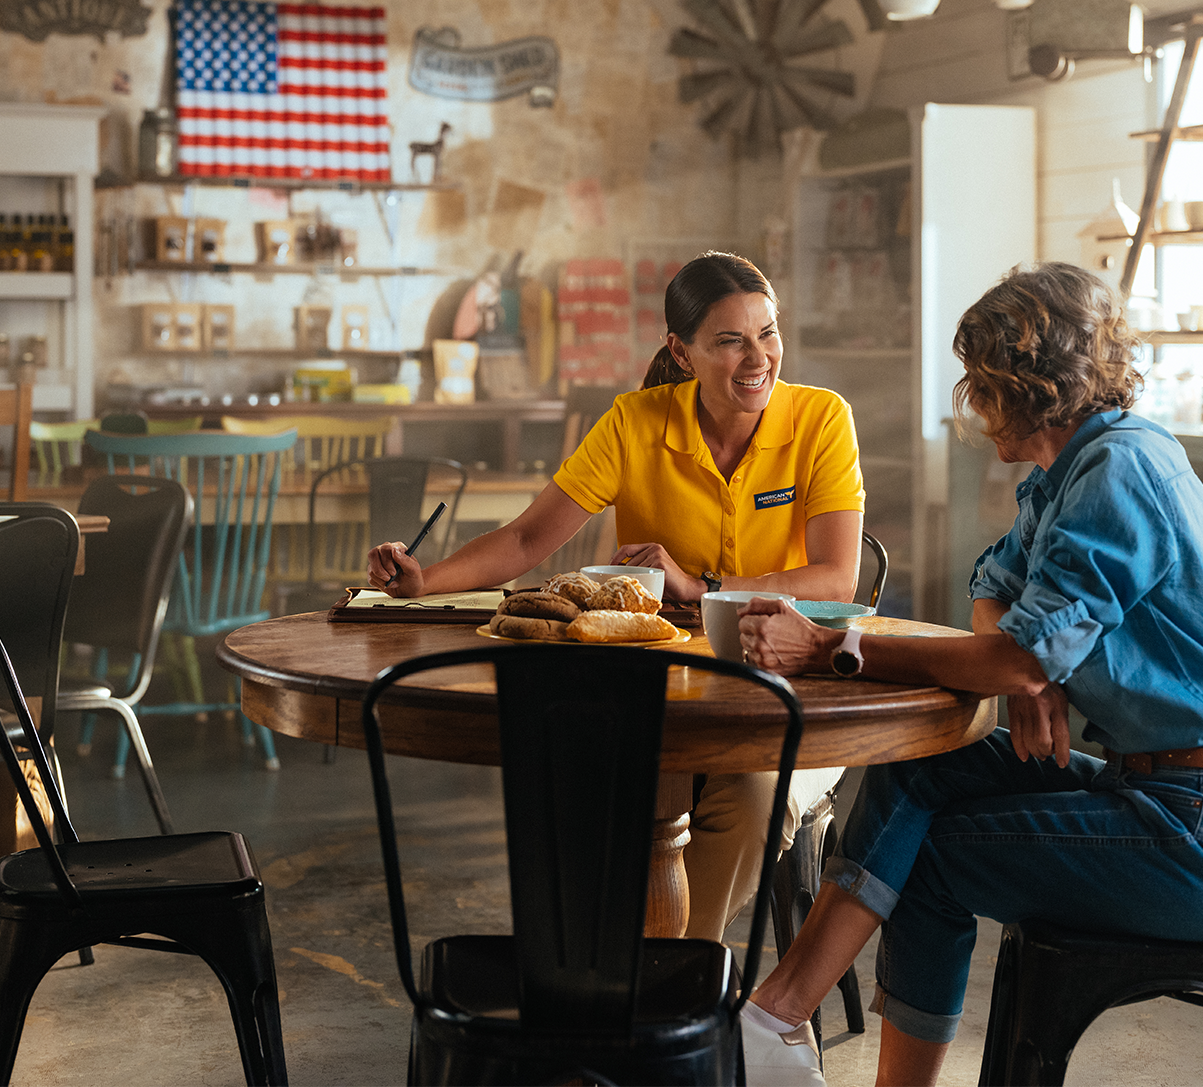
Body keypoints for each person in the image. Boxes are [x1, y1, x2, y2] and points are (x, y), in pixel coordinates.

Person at [730, 262, 1203, 1086]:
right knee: (921, 767)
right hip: (1168, 798)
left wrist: (837, 648)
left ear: (1025, 385)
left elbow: (1012, 648)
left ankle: (777, 1022)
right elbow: (992, 591)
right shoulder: (1067, 473)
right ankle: (774, 1021)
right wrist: (1035, 678)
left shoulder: (1121, 472)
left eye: (979, 379)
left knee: (924, 861)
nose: (971, 399)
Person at [367, 251, 865, 941]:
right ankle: (629, 979)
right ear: (681, 352)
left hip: (790, 678)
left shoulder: (820, 419)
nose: (759, 358)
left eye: (768, 333)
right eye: (729, 340)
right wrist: (427, 578)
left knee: (752, 796)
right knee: (579, 771)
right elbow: (522, 542)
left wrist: (702, 587)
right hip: (669, 686)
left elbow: (836, 578)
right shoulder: (634, 423)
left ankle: (678, 982)